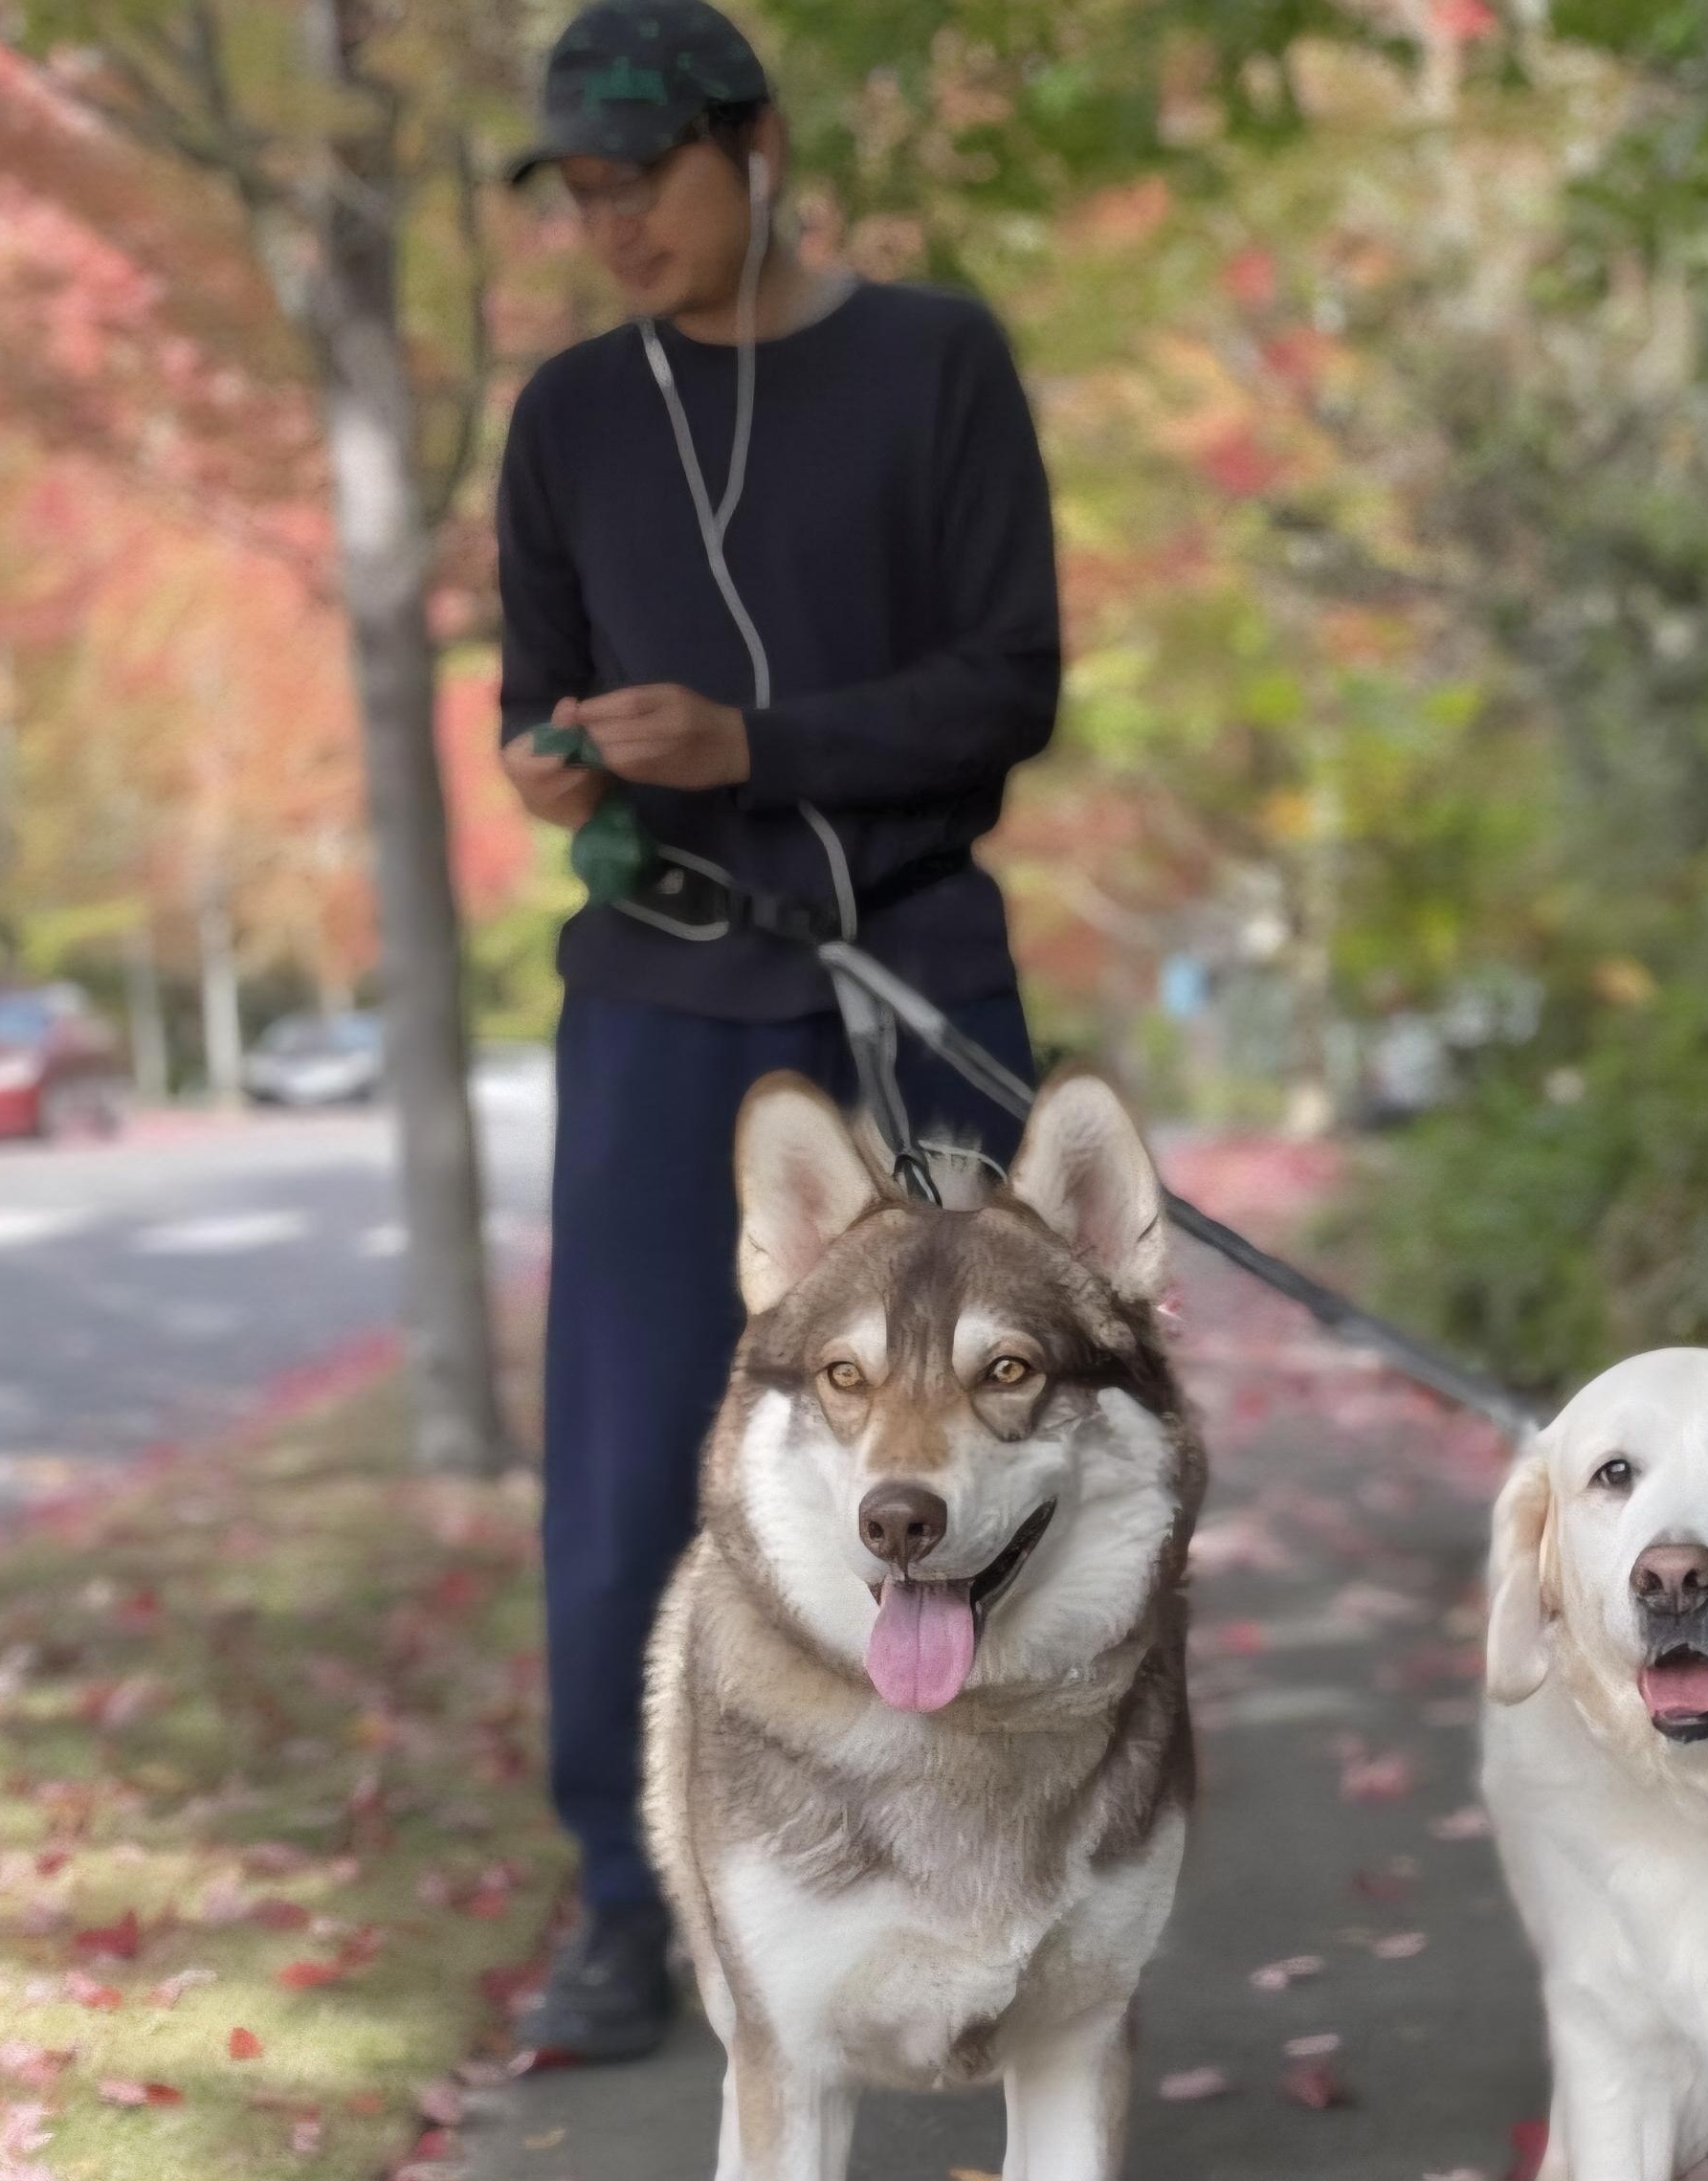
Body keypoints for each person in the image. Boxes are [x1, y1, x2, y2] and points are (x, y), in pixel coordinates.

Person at [494, 0, 1059, 2061]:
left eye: (641, 175)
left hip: (913, 968)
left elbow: (1011, 683)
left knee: (985, 1426)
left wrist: (760, 743)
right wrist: (556, 764)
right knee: (640, 1448)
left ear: (756, 146)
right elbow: (531, 695)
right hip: (660, 991)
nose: (609, 218)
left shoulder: (933, 363)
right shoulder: (565, 414)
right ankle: (622, 1900)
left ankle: (996, 1856)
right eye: (578, 189)